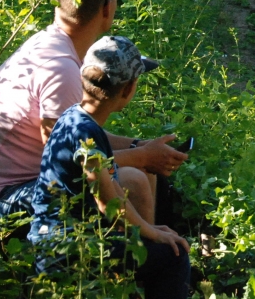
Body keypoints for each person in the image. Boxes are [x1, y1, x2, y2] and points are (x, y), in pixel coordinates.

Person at [0, 0, 187, 246]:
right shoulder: (62, 70)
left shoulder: (49, 44)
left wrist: (137, 146)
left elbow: (79, 138)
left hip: (1, 195)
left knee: (140, 170)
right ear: (107, 8)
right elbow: (71, 161)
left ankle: (144, 260)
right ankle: (145, 266)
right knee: (132, 179)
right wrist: (139, 157)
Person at [29, 36, 190, 298]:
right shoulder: (87, 135)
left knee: (159, 242)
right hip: (67, 252)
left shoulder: (73, 117)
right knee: (174, 255)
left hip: (56, 242)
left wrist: (151, 229)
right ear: (128, 89)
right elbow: (108, 203)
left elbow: (113, 190)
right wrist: (151, 233)